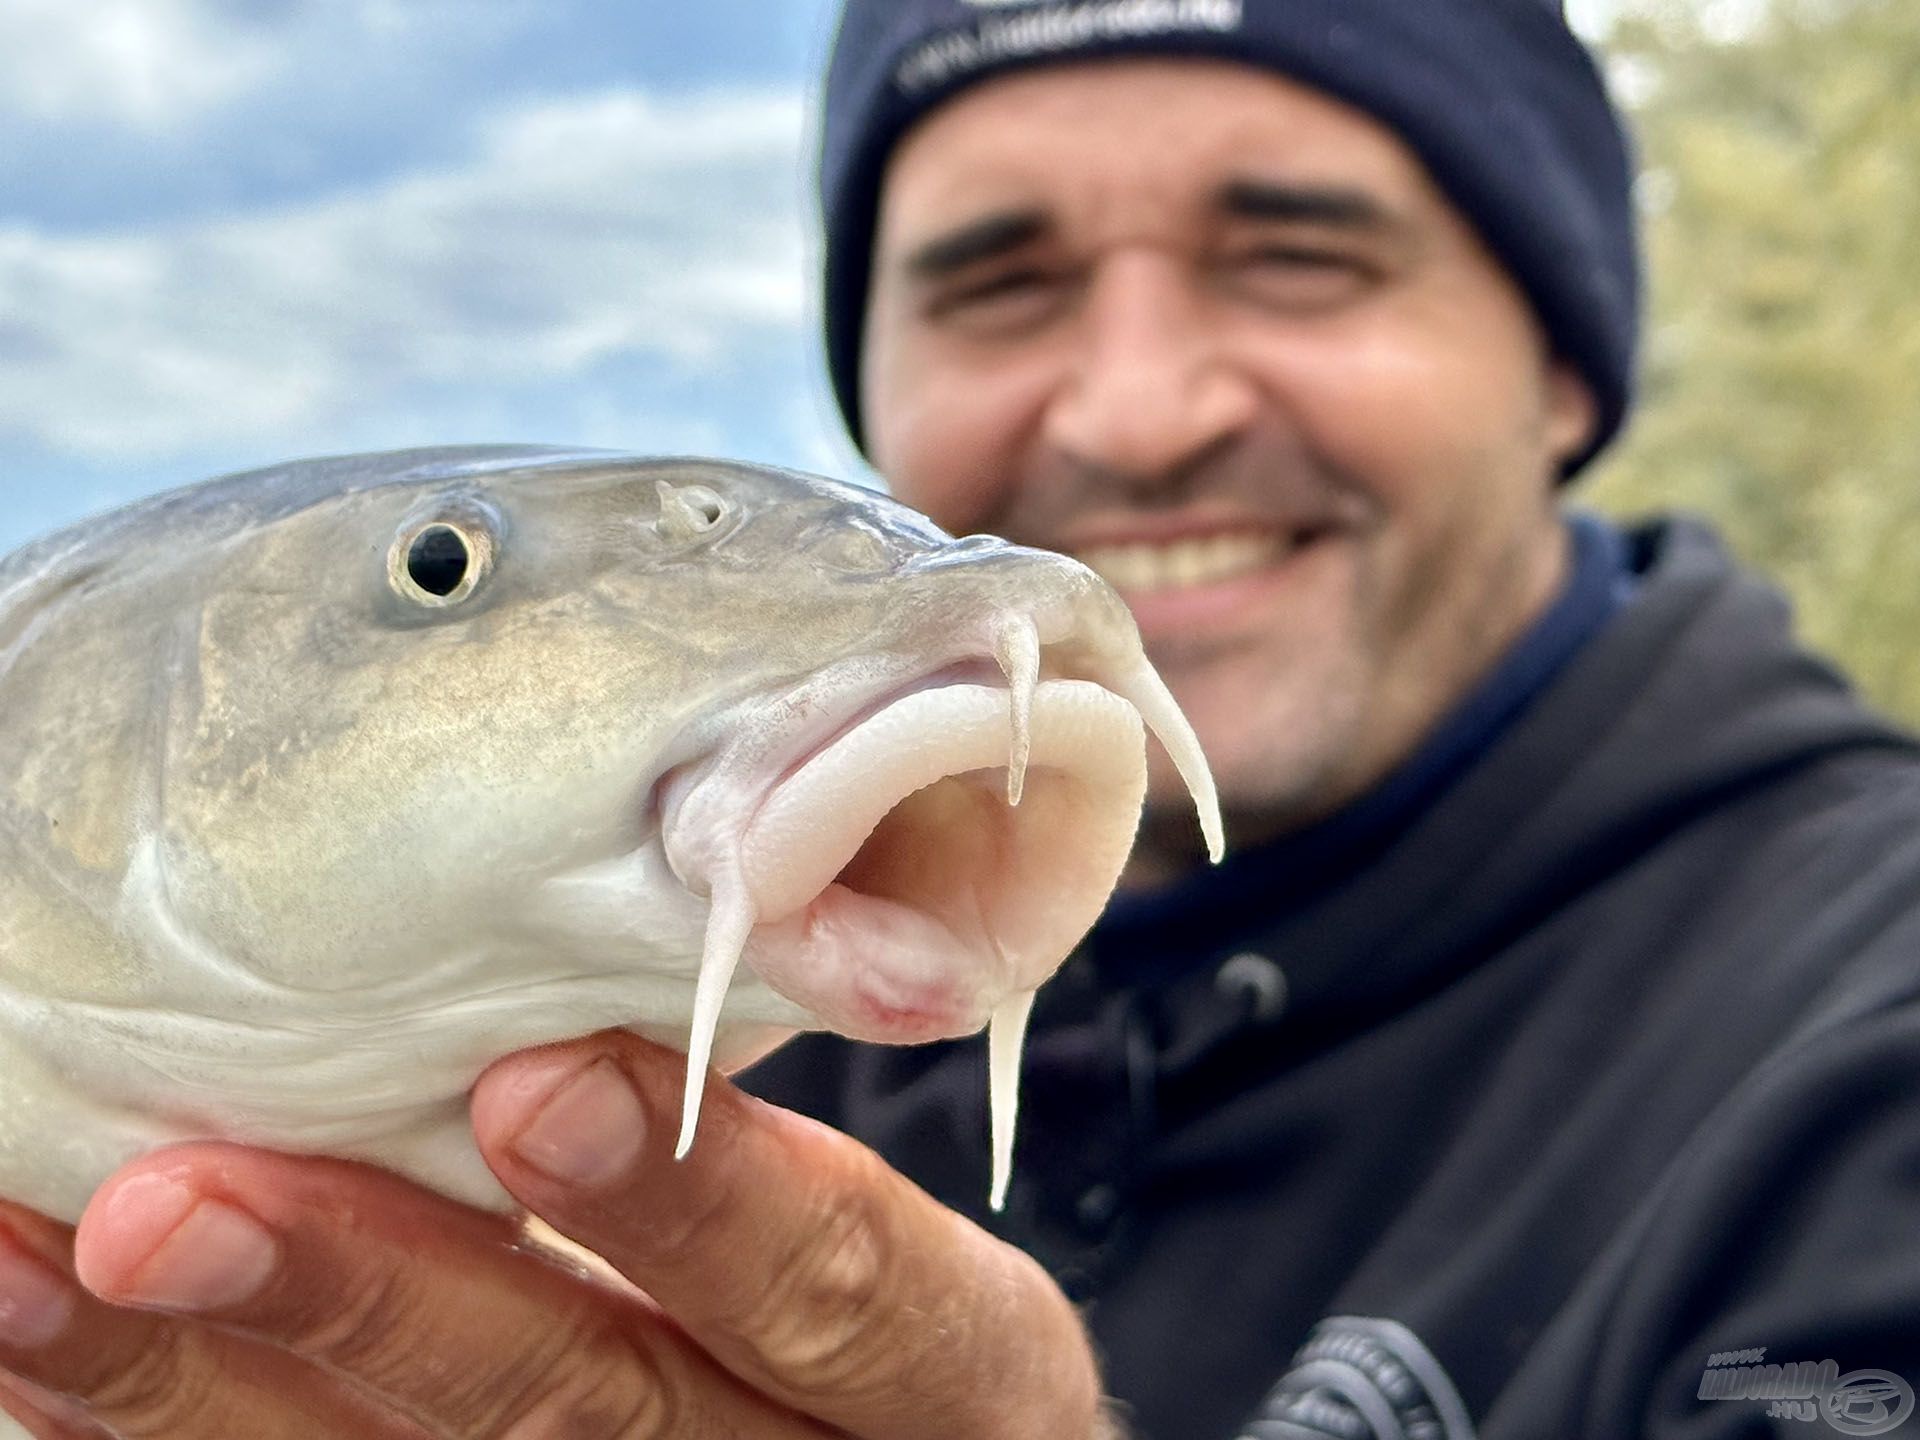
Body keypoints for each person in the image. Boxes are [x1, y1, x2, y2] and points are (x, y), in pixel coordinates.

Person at [2, 2, 1917, 1437]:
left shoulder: (1866, 1050)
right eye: (1000, 285)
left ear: (1567, 367)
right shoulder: (720, 971)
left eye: (1301, 254)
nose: (1141, 410)